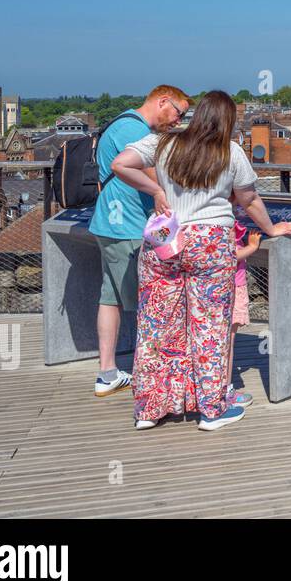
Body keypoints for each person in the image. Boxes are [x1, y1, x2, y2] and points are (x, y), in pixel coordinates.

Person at [111, 90, 291, 431]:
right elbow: (249, 198)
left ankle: (150, 408)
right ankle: (211, 410)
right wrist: (271, 228)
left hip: (165, 241)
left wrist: (156, 191)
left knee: (156, 326)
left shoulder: (165, 144)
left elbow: (120, 164)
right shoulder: (230, 152)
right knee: (209, 327)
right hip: (210, 243)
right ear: (227, 121)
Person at [88, 85, 191, 397]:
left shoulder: (120, 122)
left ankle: (108, 372)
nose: (178, 121)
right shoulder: (133, 129)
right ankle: (153, 375)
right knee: (148, 302)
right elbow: (154, 174)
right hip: (129, 227)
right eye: (178, 113)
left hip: (109, 224)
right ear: (162, 101)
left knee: (111, 298)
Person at [225, 202, 263, 408]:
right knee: (227, 340)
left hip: (214, 285)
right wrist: (251, 247)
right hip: (230, 286)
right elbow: (228, 256)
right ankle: (225, 390)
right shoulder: (226, 220)